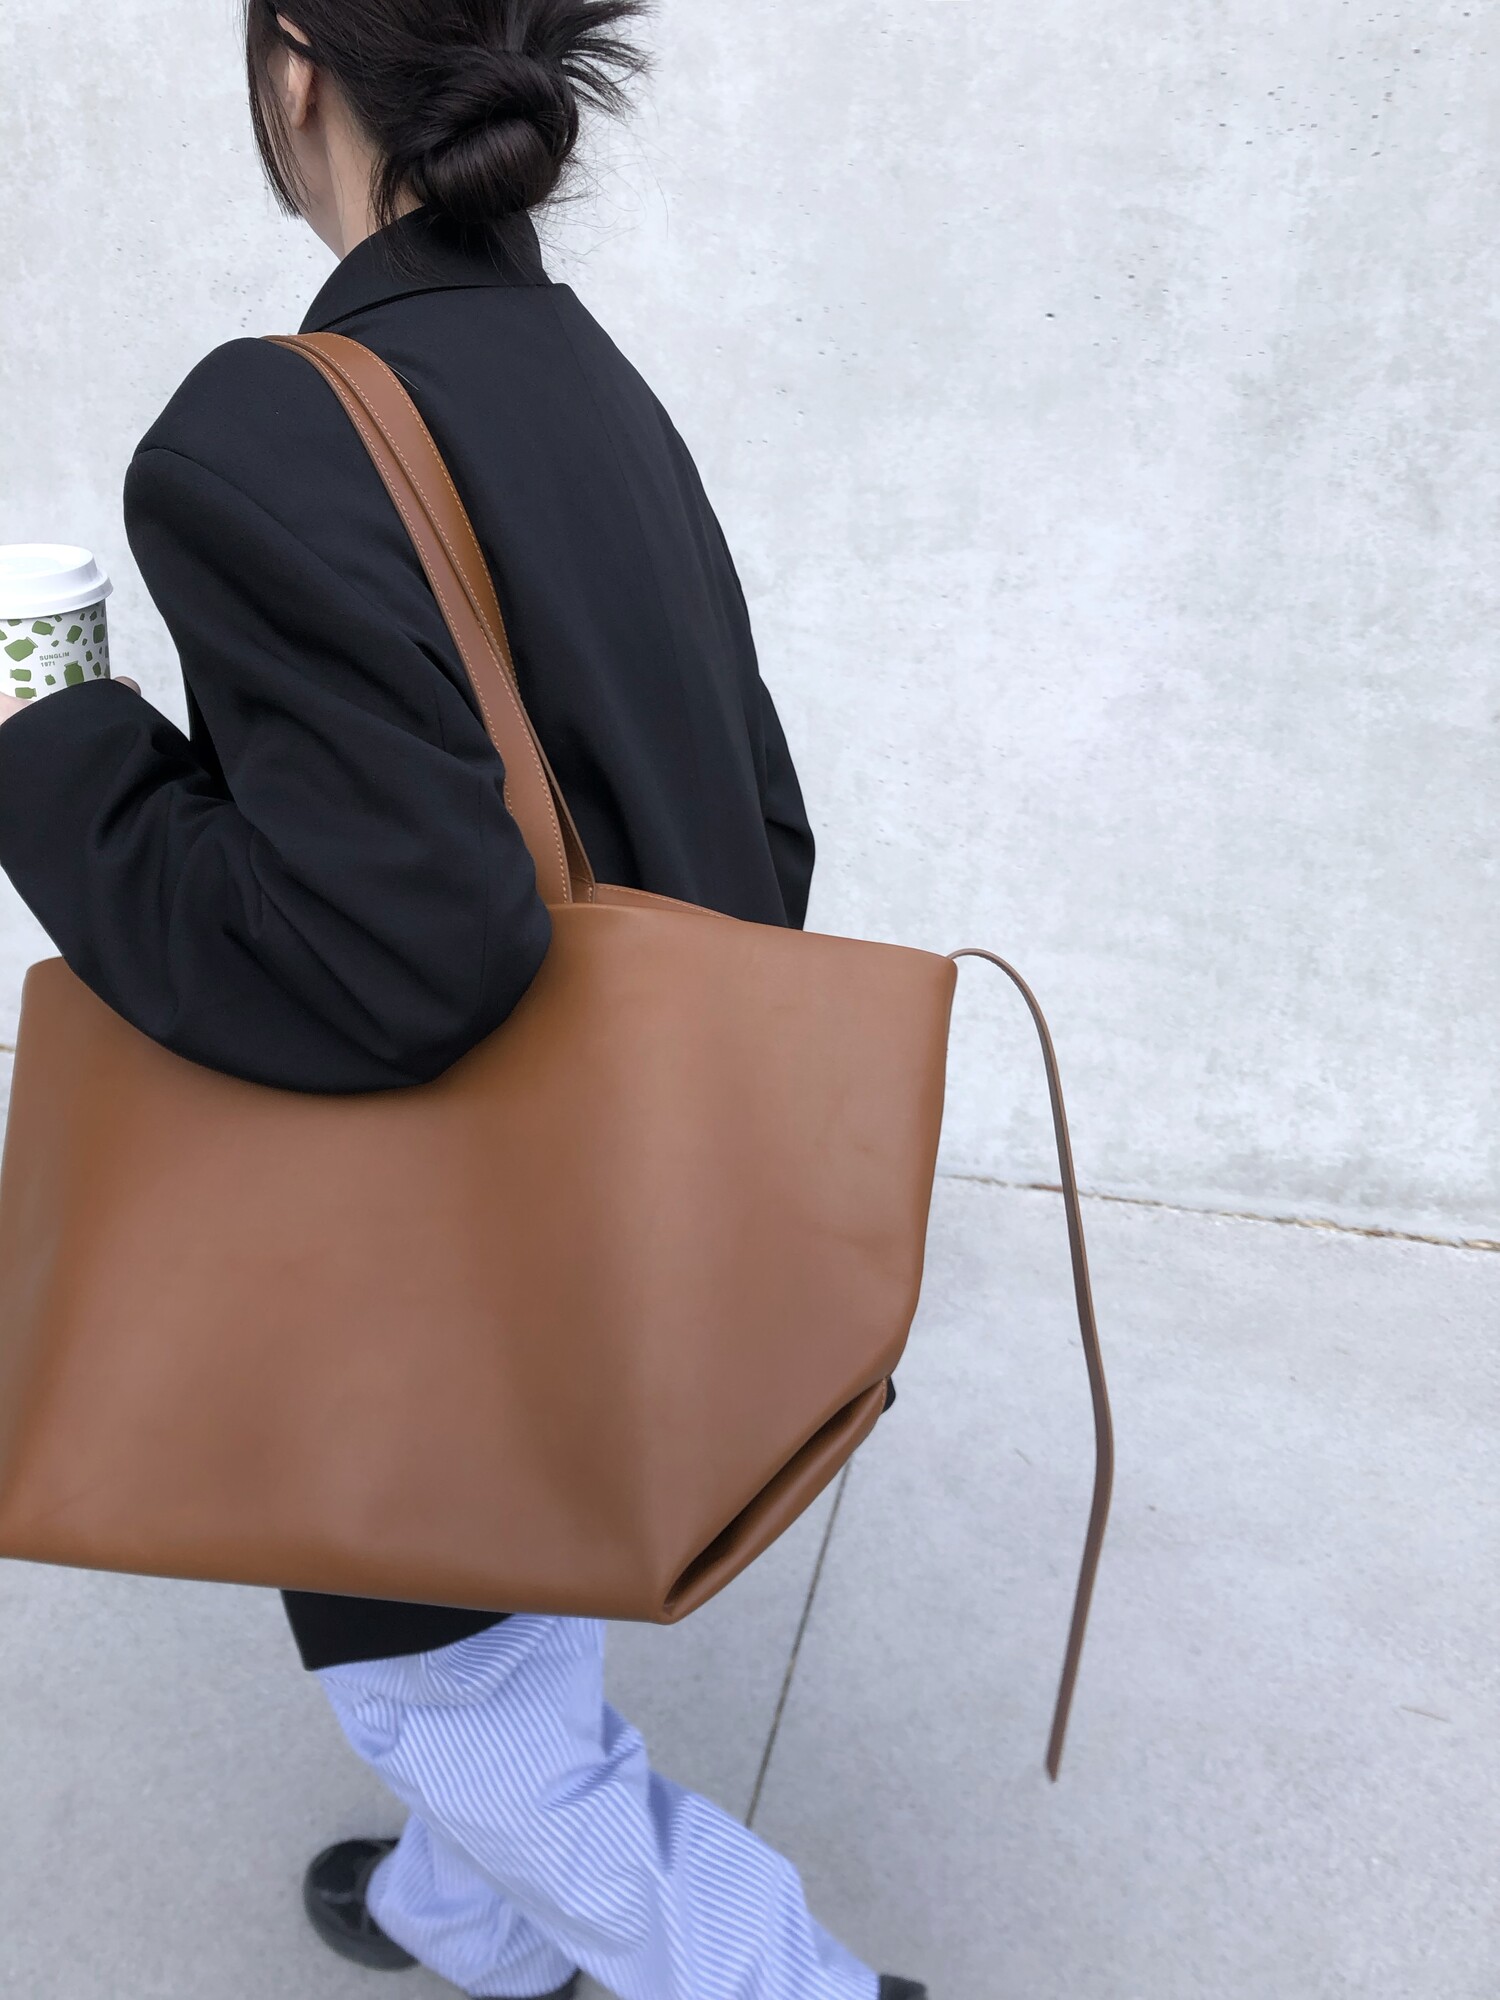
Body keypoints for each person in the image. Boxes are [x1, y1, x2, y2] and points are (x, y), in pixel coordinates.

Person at [0, 4, 929, 1997]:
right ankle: (463, 1924)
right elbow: (757, 814)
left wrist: (55, 747)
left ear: (297, 60)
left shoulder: (267, 430)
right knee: (512, 1637)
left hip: (444, 1276)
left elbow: (391, 945)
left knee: (459, 1719)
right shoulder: (581, 367)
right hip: (633, 1220)